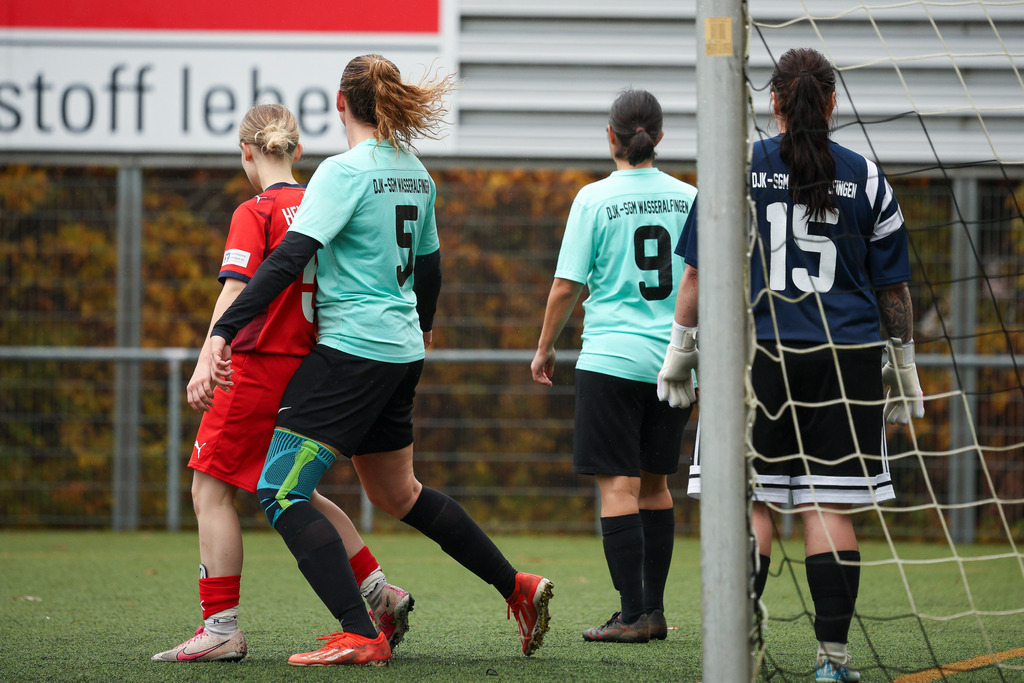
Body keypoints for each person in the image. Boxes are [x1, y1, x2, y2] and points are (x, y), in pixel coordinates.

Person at [205, 54, 554, 668]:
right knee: (400, 493)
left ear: (341, 104)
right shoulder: (417, 173)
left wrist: (224, 331)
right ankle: (516, 586)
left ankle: (359, 631)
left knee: (281, 492)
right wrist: (413, 333)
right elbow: (431, 272)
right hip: (400, 351)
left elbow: (286, 261)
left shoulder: (342, 173)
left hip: (352, 352)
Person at [658, 48, 924, 682]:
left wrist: (679, 352)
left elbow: (695, 273)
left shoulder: (735, 167)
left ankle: (738, 647)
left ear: (772, 101)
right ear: (830, 103)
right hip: (845, 360)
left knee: (749, 502)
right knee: (826, 509)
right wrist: (905, 366)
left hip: (755, 358)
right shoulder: (868, 177)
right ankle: (833, 661)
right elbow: (895, 292)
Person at [152, 104, 412, 663]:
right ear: (297, 150)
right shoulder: (323, 201)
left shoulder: (257, 209)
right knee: (302, 492)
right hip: (310, 368)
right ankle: (379, 594)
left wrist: (207, 356)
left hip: (253, 366)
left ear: (246, 152)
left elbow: (236, 291)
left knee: (211, 489)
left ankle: (220, 629)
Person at [531, 89, 696, 644]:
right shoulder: (689, 197)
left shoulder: (593, 199)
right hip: (674, 362)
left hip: (611, 359)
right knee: (655, 485)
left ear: (611, 137)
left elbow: (565, 287)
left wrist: (545, 346)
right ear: (660, 138)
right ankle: (652, 612)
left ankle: (630, 616)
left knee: (617, 488)